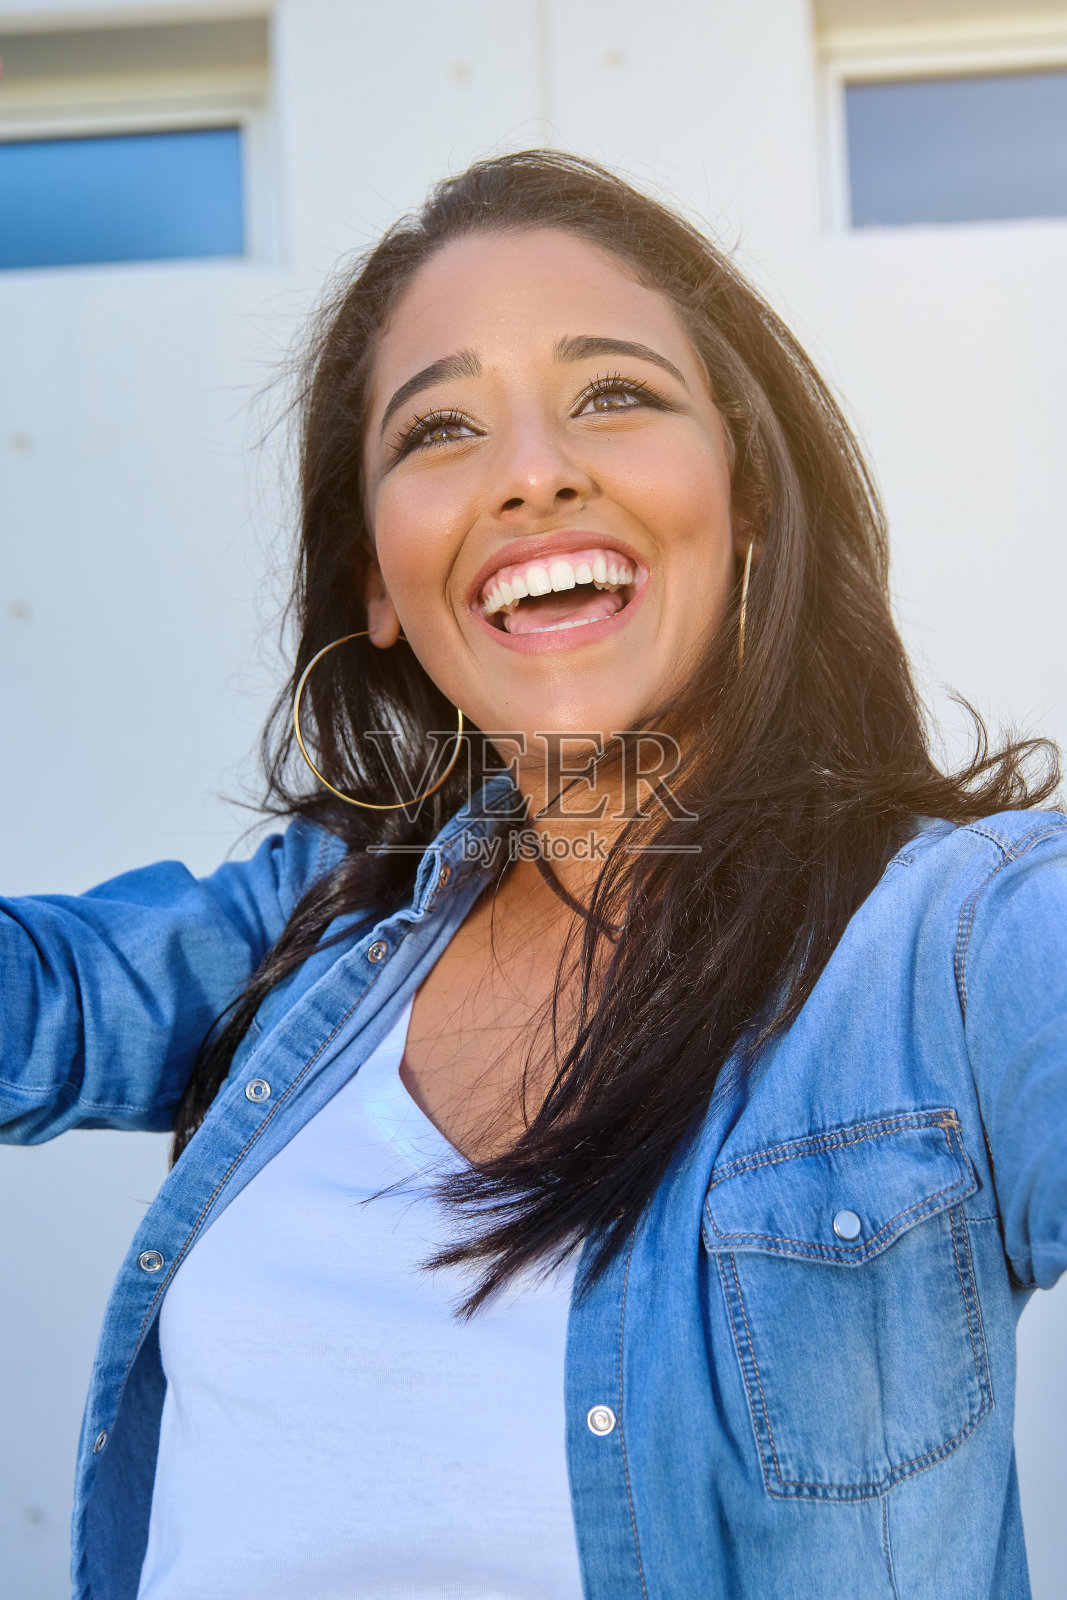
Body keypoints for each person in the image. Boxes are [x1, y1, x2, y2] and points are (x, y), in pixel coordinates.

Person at [2, 149, 1065, 1600]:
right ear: (377, 576)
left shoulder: (953, 945)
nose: (532, 471)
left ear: (747, 494)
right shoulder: (321, 925)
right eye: (438, 427)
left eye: (614, 395)